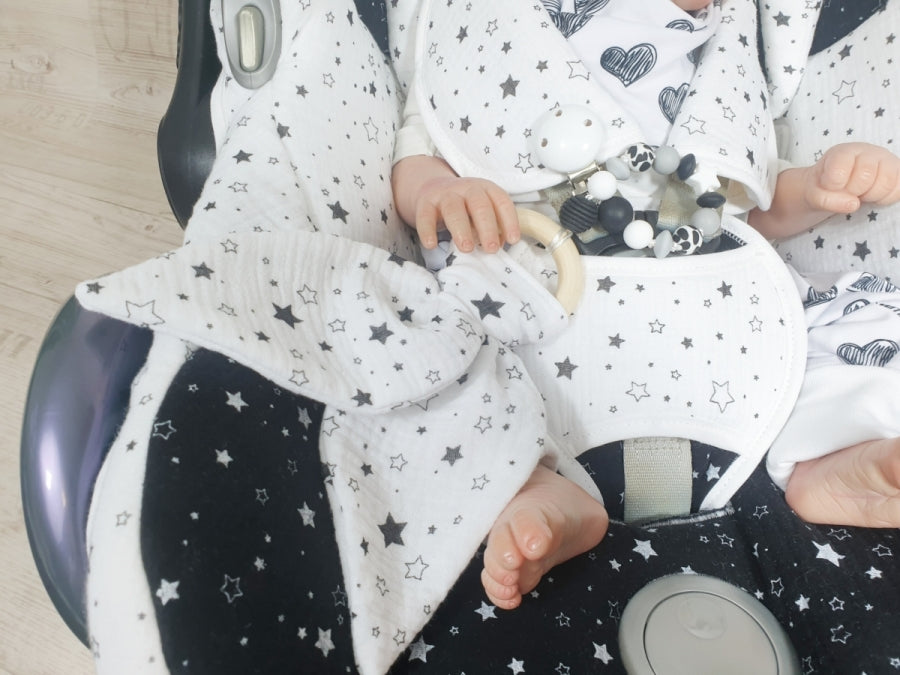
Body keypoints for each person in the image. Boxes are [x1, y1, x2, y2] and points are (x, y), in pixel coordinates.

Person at [391, 0, 900, 611]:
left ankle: (831, 455)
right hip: (537, 286)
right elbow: (420, 149)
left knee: (859, 327)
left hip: (719, 307)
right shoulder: (489, 28)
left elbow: (752, 203)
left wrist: (816, 187)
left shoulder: (720, 55)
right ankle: (540, 486)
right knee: (432, 365)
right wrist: (441, 188)